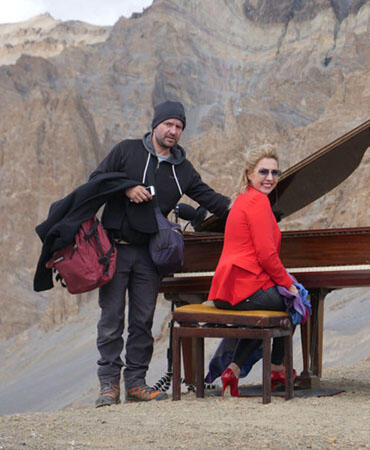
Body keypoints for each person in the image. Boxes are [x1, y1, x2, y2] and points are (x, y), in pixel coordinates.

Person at [90, 101, 230, 407]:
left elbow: (213, 200)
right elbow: (95, 182)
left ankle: (136, 384)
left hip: (149, 256)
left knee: (143, 320)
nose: (173, 131)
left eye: (179, 127)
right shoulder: (126, 151)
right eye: (168, 124)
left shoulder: (183, 170)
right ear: (156, 124)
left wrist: (250, 209)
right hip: (114, 249)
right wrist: (127, 188)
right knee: (111, 319)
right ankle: (108, 386)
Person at [208, 145, 299, 396]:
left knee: (272, 310)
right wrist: (289, 284)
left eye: (275, 172)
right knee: (297, 301)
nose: (270, 178)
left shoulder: (242, 199)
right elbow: (267, 255)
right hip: (243, 288)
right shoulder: (259, 202)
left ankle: (233, 371)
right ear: (249, 173)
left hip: (230, 289)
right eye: (263, 172)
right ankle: (277, 367)